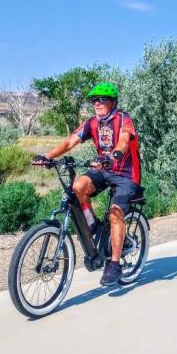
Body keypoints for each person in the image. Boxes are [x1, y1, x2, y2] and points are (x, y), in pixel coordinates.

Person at [33, 82, 141, 286]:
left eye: (102, 99)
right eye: (94, 100)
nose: (97, 103)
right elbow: (69, 142)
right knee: (78, 186)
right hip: (104, 169)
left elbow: (124, 141)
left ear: (113, 102)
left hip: (126, 174)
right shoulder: (92, 123)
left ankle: (115, 264)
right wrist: (47, 156)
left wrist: (115, 154)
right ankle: (93, 225)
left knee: (116, 212)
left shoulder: (123, 119)